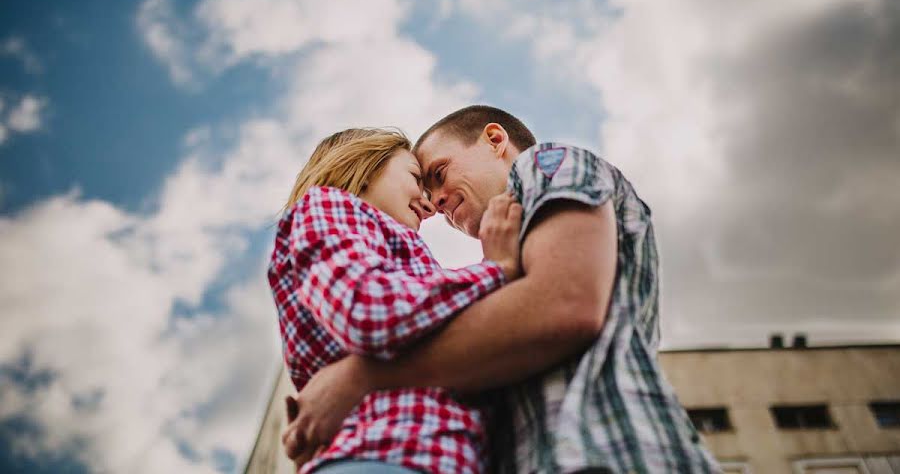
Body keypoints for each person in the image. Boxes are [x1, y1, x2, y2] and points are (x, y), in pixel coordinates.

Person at [283, 106, 722, 473]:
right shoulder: (492, 269)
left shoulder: (544, 164)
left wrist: (365, 376)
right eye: (423, 184)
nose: (434, 203)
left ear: (494, 140)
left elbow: (564, 306)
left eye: (437, 173)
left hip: (606, 453)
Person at [267, 127, 524, 474]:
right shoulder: (329, 206)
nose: (430, 203)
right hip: (382, 456)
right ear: (365, 166)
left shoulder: (402, 258)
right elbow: (370, 311)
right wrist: (496, 270)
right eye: (417, 178)